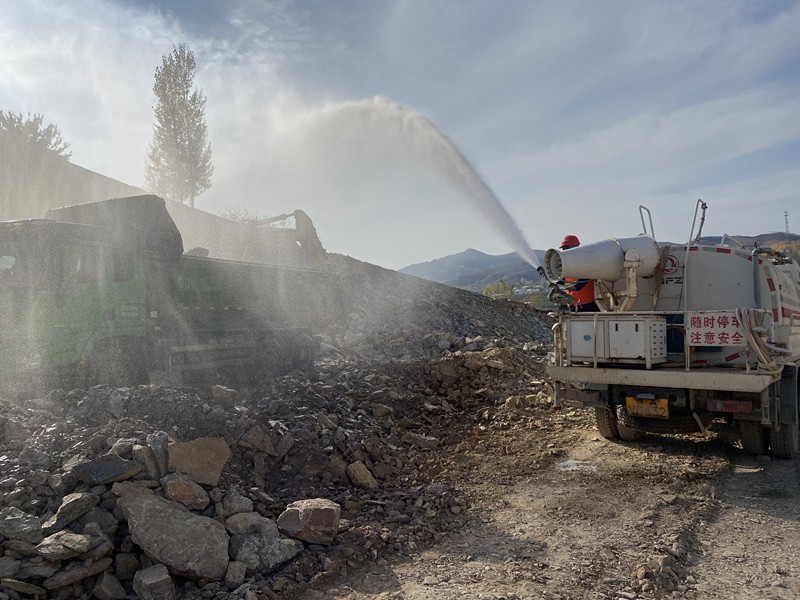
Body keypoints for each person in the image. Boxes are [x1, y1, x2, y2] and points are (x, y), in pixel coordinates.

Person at [559, 235, 598, 312]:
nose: (564, 251)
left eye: (566, 248)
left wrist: (576, 286)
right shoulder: (567, 265)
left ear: (576, 247)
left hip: (588, 304)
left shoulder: (585, 261)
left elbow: (589, 274)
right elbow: (565, 281)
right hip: (573, 304)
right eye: (564, 249)